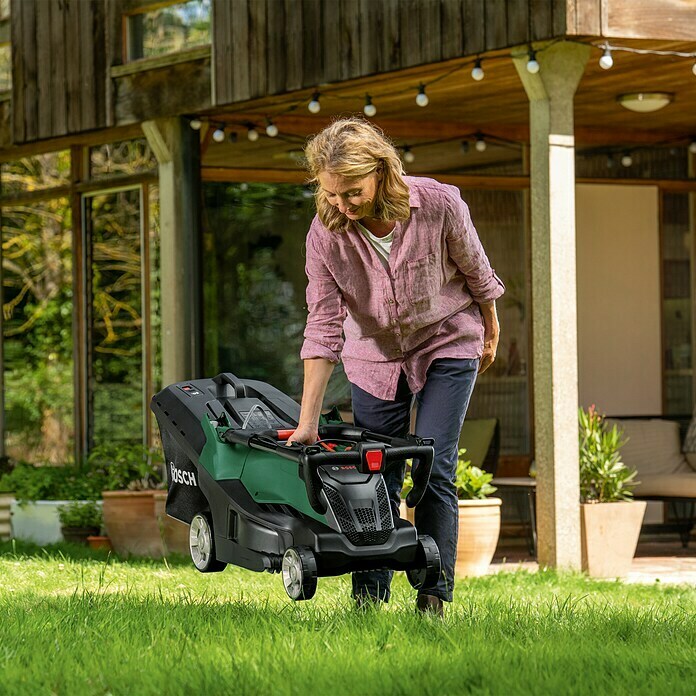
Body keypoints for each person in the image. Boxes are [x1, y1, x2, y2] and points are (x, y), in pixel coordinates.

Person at [288, 117, 504, 615]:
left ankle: (433, 598)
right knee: (373, 472)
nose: (342, 205)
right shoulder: (326, 232)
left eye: (353, 192)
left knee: (435, 465)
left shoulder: (439, 204)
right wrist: (306, 423)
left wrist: (490, 330)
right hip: (374, 357)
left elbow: (477, 272)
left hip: (447, 339)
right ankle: (368, 601)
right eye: (332, 194)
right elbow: (323, 327)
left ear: (381, 173)